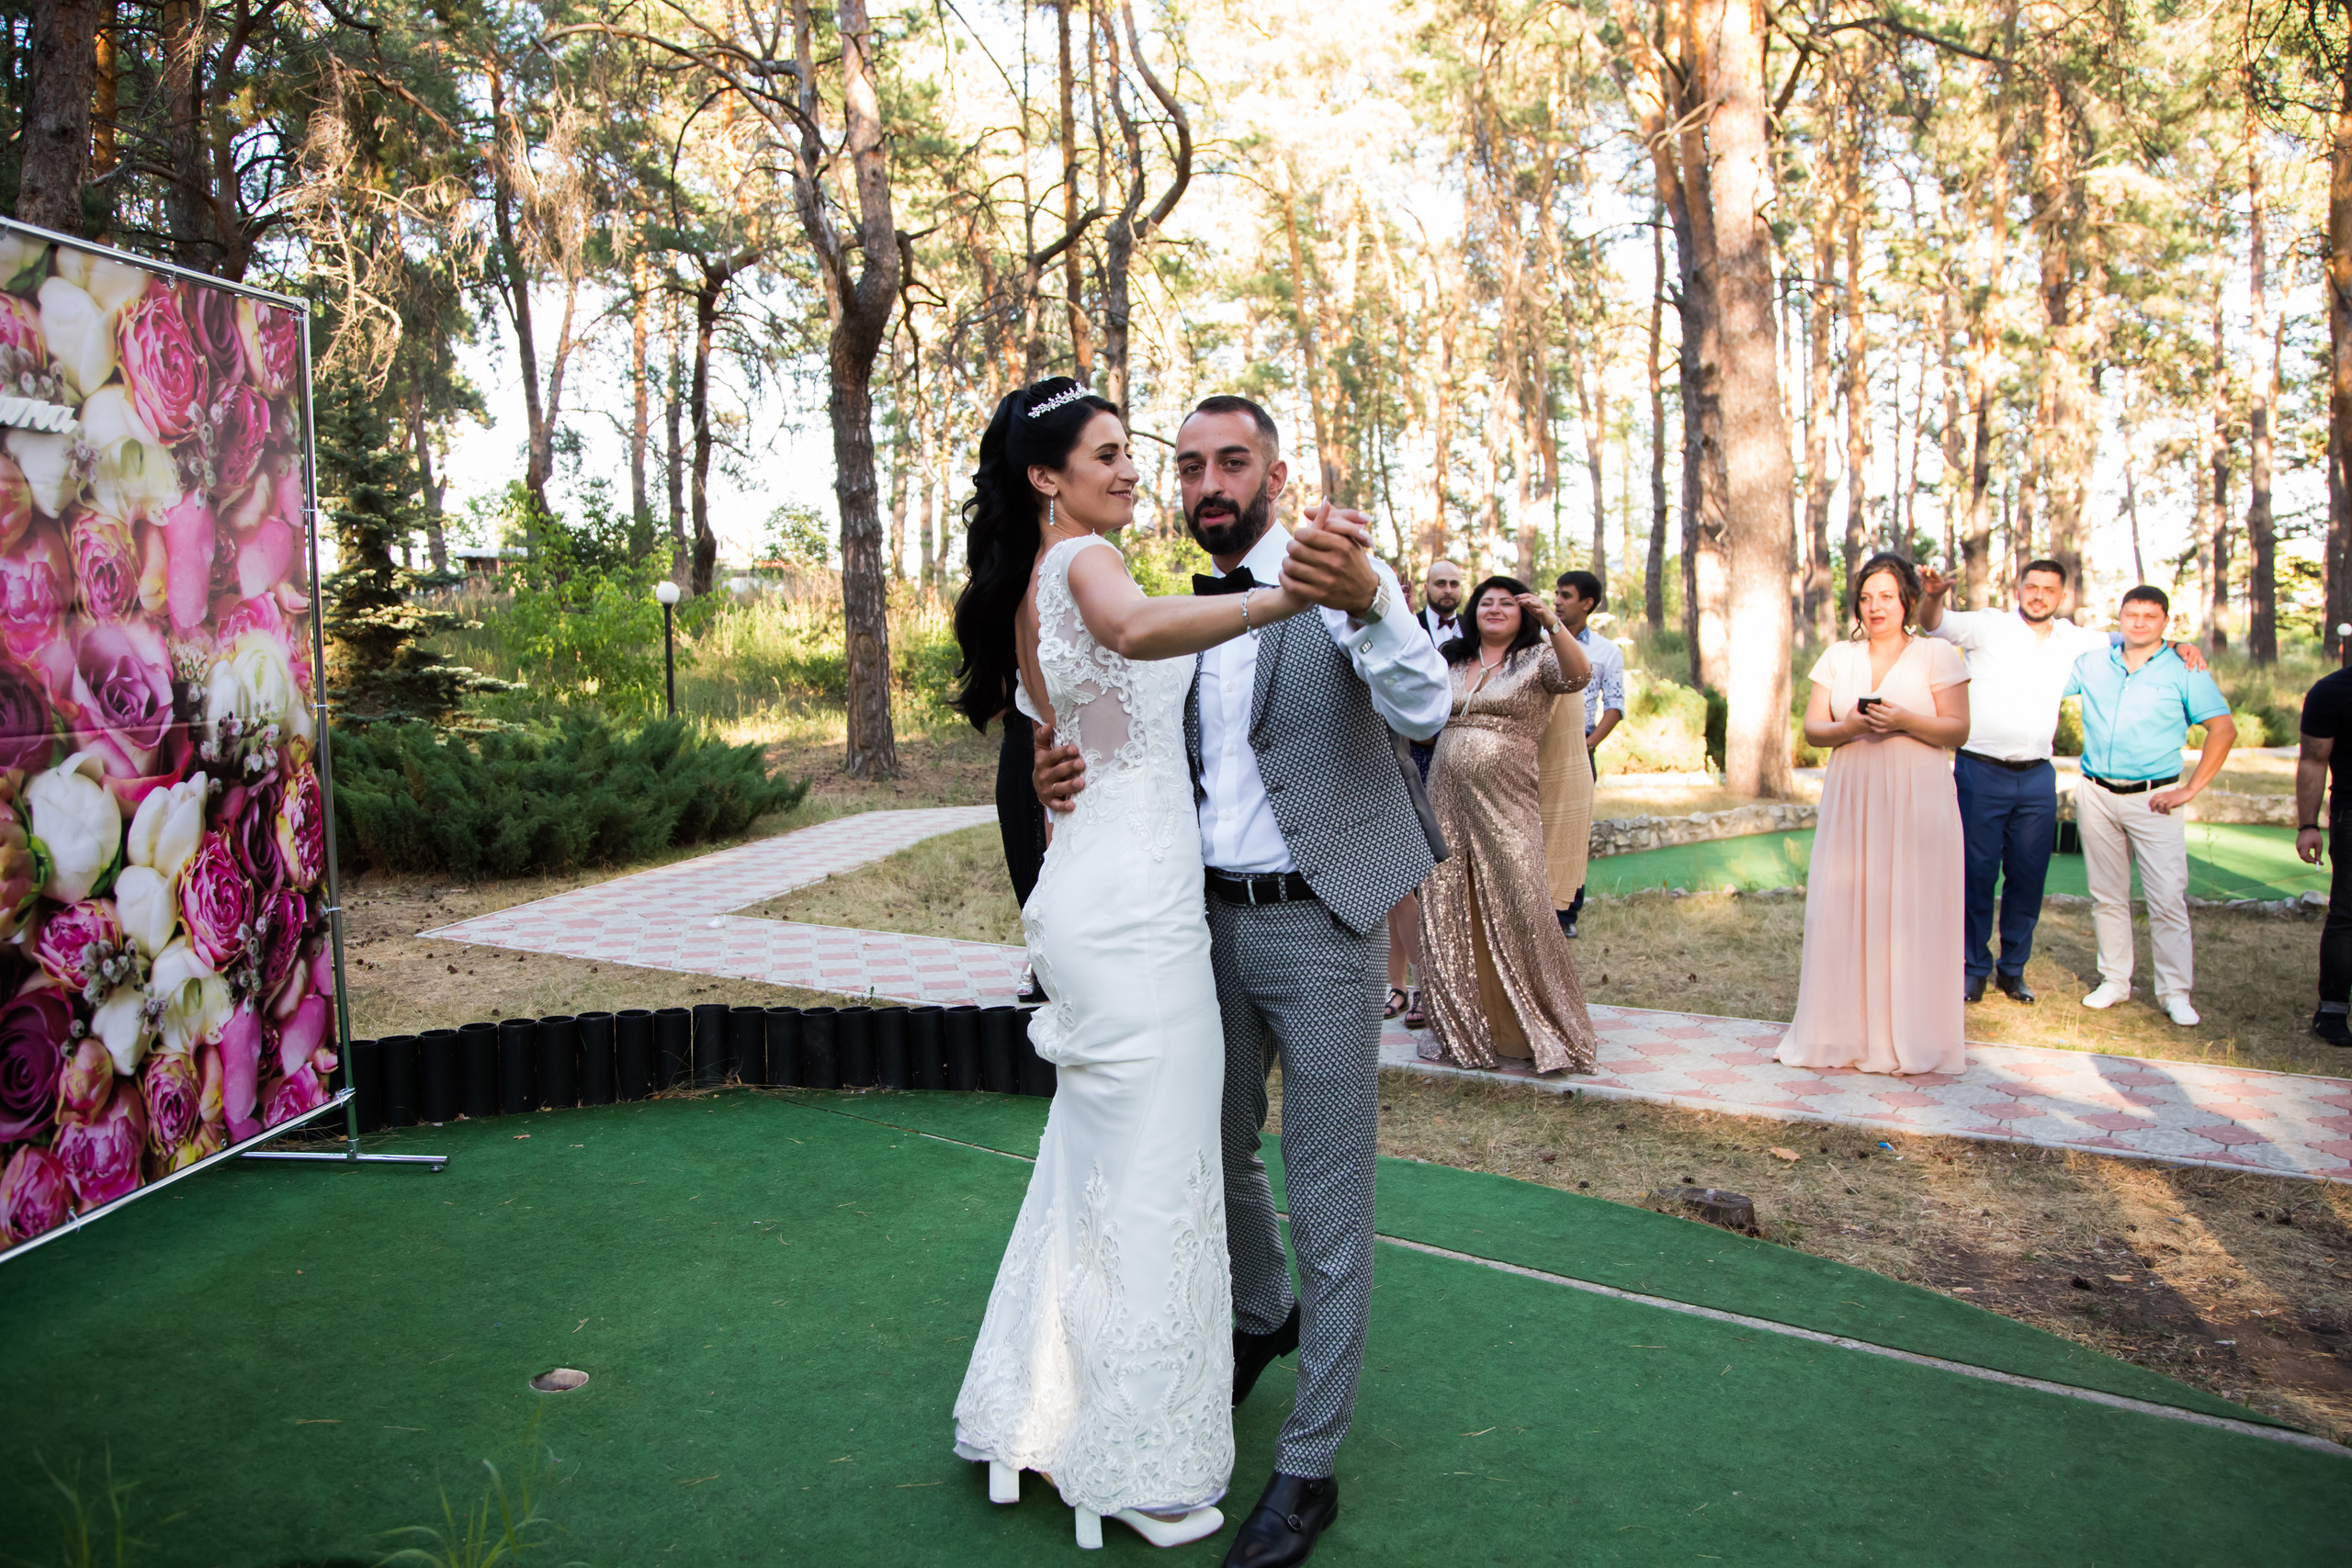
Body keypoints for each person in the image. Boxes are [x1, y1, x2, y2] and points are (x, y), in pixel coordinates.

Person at [1036, 395, 1449, 1568]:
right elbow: (1104, 721)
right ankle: (1260, 1318)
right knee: (1210, 1162)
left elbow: (1426, 706)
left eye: (1233, 463)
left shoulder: (1336, 571)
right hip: (1194, 932)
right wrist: (1057, 761)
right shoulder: (1173, 604)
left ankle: (1310, 1465)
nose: (1210, 484)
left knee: (1328, 1197)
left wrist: (1369, 600)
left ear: (1275, 472)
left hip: (1321, 926)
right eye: (1190, 467)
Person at [947, 377, 1321, 1551]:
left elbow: (1089, 739)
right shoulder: (1081, 567)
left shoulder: (1039, 586)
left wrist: (1062, 773)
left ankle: (1039, 1408)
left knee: (1100, 1168)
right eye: (1103, 454)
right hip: (1132, 924)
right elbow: (1136, 633)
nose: (1126, 470)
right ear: (1046, 478)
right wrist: (1273, 598)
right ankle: (1137, 1460)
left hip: (1106, 894)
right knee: (1158, 1176)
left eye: (1128, 452)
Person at [1779, 553, 1973, 1077]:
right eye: (1866, 597)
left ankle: (1912, 1034)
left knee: (1912, 907)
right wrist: (1852, 728)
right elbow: (1814, 730)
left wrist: (1906, 719)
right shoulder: (1839, 655)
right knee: (1844, 904)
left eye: (1886, 596)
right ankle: (1841, 1031)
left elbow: (1958, 730)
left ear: (1907, 599)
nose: (1875, 606)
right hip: (1853, 792)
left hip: (1919, 796)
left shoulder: (1937, 654)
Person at [1418, 575, 1599, 1073]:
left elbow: (1579, 675)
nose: (1494, 608)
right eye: (1487, 602)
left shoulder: (1538, 659)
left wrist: (1552, 622)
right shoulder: (1450, 660)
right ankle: (1466, 1027)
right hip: (1446, 798)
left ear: (1524, 615)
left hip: (1508, 798)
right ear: (1474, 611)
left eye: (1507, 603)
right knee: (1449, 903)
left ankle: (1542, 1026)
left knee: (1523, 901)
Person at [1917, 559, 2109, 1006]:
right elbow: (1935, 623)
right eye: (2031, 586)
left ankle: (2013, 970)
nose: (2038, 595)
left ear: (2062, 597)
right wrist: (1933, 595)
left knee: (2027, 877)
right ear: (2018, 589)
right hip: (1980, 771)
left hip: (2037, 777)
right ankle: (1973, 969)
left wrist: (2177, 647)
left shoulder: (2072, 638)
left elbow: (2131, 639)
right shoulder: (1989, 627)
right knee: (1976, 874)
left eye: (2048, 589)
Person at [2064, 585, 2236, 1026]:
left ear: (2165, 621)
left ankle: (2175, 993)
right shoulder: (2092, 663)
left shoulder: (2185, 667)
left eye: (2149, 616)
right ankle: (2115, 981)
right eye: (2131, 615)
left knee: (2165, 898)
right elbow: (2040, 682)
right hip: (2097, 792)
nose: (2139, 623)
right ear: (2119, 618)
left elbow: (2223, 729)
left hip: (2155, 797)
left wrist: (2189, 790)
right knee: (2107, 895)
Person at [1536, 570, 1625, 940]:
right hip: (1533, 746)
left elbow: (1615, 707)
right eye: (1556, 593)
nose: (1557, 600)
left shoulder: (1607, 651)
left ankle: (1566, 914)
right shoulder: (1535, 642)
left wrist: (1587, 745)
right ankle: (1531, 905)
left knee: (1571, 831)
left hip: (1577, 749)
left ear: (1587, 604)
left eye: (1566, 595)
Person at [2296, 641, 2352, 1047]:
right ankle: (2332, 1010)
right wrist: (2307, 824)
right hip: (2351, 816)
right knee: (2347, 915)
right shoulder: (2332, 692)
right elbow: (2313, 760)